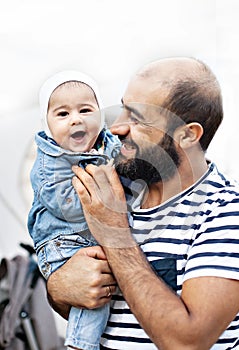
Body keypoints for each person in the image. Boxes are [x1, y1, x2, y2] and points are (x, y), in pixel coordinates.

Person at [47, 57, 239, 350]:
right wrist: (58, 289)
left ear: (188, 135)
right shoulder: (118, 188)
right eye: (122, 107)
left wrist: (114, 234)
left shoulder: (232, 213)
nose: (116, 127)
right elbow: (90, 308)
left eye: (136, 117)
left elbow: (186, 343)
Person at [27, 70, 121, 350]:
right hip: (61, 243)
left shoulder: (107, 144)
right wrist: (110, 198)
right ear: (48, 124)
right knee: (94, 297)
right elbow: (67, 206)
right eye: (62, 114)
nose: (76, 119)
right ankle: (80, 345)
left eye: (85, 110)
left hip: (87, 237)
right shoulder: (49, 163)